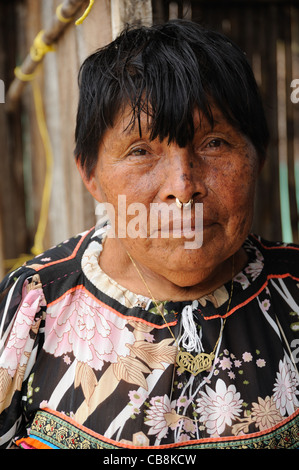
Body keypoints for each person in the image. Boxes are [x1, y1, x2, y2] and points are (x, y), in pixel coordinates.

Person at [0, 19, 298, 450]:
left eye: (215, 142)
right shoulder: (35, 303)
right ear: (92, 175)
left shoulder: (293, 290)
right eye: (140, 151)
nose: (183, 185)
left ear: (259, 156)